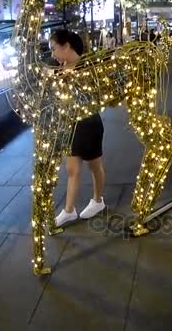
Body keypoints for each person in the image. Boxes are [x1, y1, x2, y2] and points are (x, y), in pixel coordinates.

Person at [49, 30, 107, 227]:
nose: (53, 54)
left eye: (54, 48)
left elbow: (94, 96)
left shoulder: (87, 67)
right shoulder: (60, 69)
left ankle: (98, 201)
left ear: (66, 46)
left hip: (89, 123)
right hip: (71, 125)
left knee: (94, 165)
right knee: (72, 168)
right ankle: (69, 210)